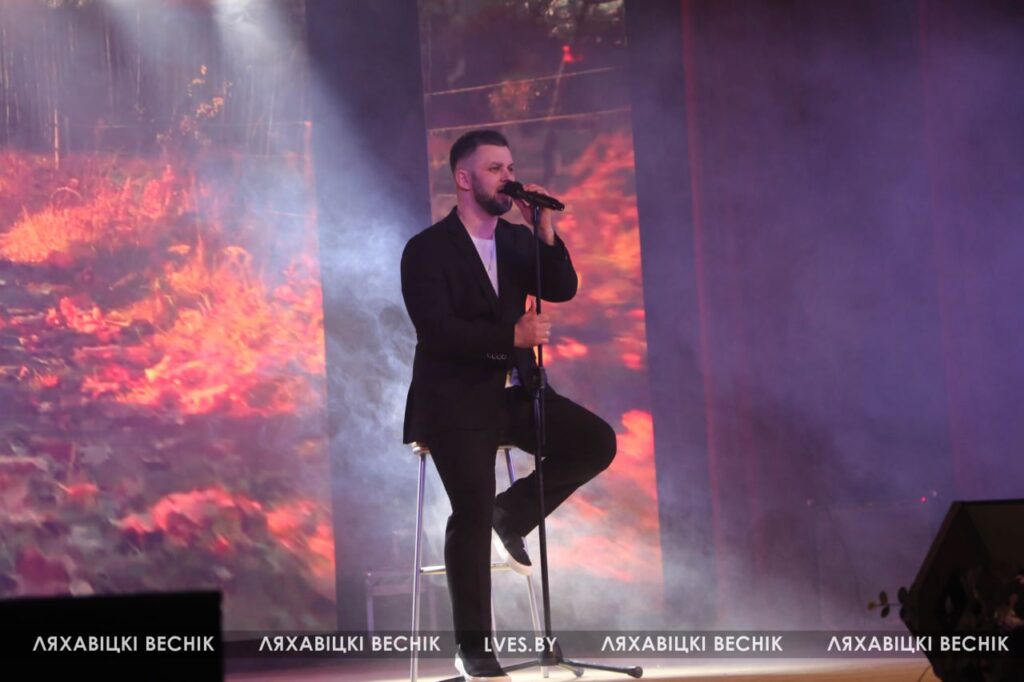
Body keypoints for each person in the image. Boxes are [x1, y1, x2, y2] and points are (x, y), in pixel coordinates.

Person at [401, 129, 616, 681]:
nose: (508, 177)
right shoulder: (427, 249)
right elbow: (437, 331)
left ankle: (513, 513)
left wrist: (544, 231)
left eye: (511, 167)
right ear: (464, 178)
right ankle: (473, 648)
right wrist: (509, 337)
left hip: (513, 394)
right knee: (470, 509)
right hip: (453, 401)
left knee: (596, 442)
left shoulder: (518, 241)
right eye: (495, 168)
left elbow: (562, 286)